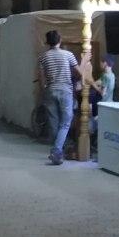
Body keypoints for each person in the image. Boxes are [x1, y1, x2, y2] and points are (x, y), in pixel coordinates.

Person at [38, 30, 81, 166]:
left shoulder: (43, 57)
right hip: (65, 90)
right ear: (60, 40)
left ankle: (59, 151)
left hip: (50, 91)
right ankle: (57, 150)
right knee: (66, 122)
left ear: (47, 42)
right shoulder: (68, 55)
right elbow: (79, 72)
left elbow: (41, 78)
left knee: (53, 122)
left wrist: (44, 89)